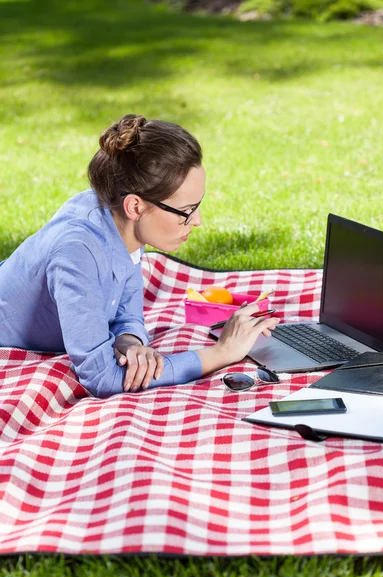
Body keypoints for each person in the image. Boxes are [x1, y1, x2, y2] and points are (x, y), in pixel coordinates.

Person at [0, 114, 279, 398]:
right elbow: (102, 377)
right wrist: (221, 353)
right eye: (186, 211)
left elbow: (126, 307)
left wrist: (129, 342)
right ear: (135, 206)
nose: (197, 221)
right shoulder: (77, 252)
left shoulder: (122, 219)